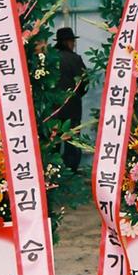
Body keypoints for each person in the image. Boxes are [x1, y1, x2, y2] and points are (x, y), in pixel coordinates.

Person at [54, 26, 88, 173]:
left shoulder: (49, 58)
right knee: (71, 141)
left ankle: (52, 172)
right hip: (72, 107)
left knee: (52, 139)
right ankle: (71, 171)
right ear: (68, 42)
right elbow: (84, 82)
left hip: (52, 108)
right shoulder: (75, 59)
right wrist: (77, 95)